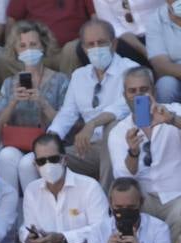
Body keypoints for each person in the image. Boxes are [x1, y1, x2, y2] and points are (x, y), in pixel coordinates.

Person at [4, 132, 109, 243]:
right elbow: (26, 227)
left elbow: (102, 230)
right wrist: (30, 238)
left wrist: (62, 238)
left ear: (64, 160)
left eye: (53, 159)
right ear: (35, 165)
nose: (47, 165)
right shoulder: (32, 190)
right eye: (41, 161)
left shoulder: (89, 187)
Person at [105, 66, 181, 224]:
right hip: (144, 199)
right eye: (132, 91)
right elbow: (124, 177)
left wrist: (172, 120)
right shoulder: (119, 131)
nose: (138, 95)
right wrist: (133, 152)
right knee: (125, 212)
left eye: (143, 89)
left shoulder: (174, 110)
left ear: (153, 91)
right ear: (125, 96)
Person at [46, 18, 134, 182]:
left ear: (113, 44)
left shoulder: (131, 71)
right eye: (90, 44)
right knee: (40, 162)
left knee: (112, 131)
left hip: (124, 145)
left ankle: (109, 204)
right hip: (88, 148)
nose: (96, 48)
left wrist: (92, 124)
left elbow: (121, 108)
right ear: (84, 48)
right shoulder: (79, 76)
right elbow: (67, 113)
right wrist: (51, 138)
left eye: (101, 43)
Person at [0, 21, 69, 190]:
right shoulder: (9, 83)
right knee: (5, 156)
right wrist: (13, 102)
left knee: (28, 164)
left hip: (47, 146)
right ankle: (9, 211)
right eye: (23, 46)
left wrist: (42, 102)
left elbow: (66, 123)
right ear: (16, 50)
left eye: (33, 44)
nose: (28, 50)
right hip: (16, 142)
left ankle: (34, 210)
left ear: (43, 46)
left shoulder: (61, 81)